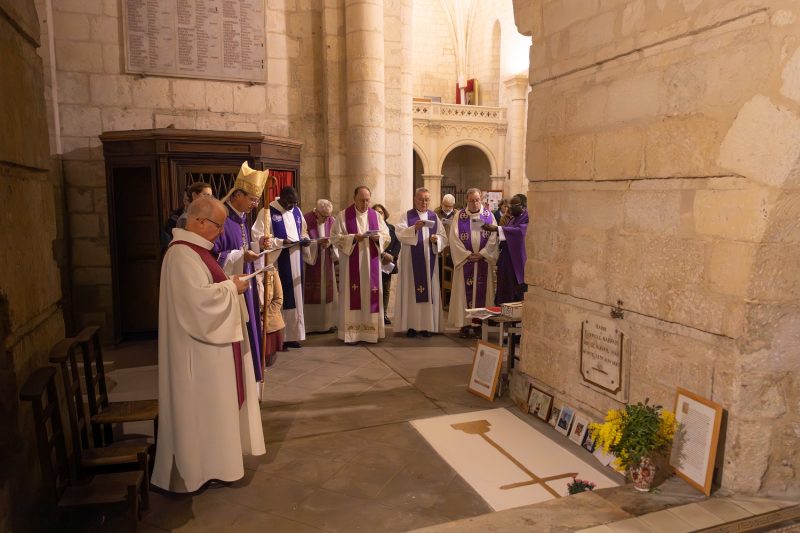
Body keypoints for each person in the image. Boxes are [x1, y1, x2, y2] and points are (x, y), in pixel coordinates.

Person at [152, 196, 266, 493]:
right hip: (196, 352)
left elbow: (205, 290)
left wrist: (228, 282)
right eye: (218, 224)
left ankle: (215, 466)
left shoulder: (195, 251)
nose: (221, 231)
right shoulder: (180, 255)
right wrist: (232, 287)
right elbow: (196, 304)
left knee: (213, 409)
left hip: (209, 348)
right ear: (199, 222)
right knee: (200, 410)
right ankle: (197, 471)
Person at [212, 162, 268, 382]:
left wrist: (258, 245)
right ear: (237, 195)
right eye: (252, 199)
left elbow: (243, 247)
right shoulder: (222, 219)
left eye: (256, 200)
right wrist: (240, 256)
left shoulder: (241, 219)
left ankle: (251, 375)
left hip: (246, 284)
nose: (255, 205)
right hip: (230, 287)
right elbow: (212, 257)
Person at [252, 186, 310, 349]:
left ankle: (293, 335)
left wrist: (305, 239)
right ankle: (280, 337)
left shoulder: (297, 211)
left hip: (296, 260)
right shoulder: (268, 211)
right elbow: (258, 236)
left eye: (295, 203)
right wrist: (280, 242)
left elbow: (303, 231)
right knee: (279, 299)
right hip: (278, 260)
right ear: (281, 199)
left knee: (295, 298)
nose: (292, 206)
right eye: (289, 203)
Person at [330, 186, 390, 344]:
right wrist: (353, 238)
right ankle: (352, 333)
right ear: (354, 199)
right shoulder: (343, 216)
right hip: (351, 266)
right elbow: (334, 238)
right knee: (352, 295)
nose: (365, 203)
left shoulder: (376, 216)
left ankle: (371, 332)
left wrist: (379, 239)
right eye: (361, 200)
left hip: (372, 265)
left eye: (367, 200)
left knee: (371, 294)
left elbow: (387, 236)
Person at [394, 188, 448, 337]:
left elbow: (444, 237)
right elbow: (399, 233)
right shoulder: (407, 216)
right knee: (411, 291)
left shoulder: (434, 217)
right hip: (411, 264)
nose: (424, 202)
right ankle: (411, 326)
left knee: (429, 291)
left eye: (427, 200)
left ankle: (427, 326)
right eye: (421, 199)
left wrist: (437, 240)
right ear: (414, 199)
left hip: (429, 262)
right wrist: (414, 229)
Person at [448, 187, 499, 338]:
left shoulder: (488, 216)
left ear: (481, 199)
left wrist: (483, 254)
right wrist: (467, 255)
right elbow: (454, 238)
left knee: (482, 294)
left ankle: (479, 325)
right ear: (466, 201)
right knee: (464, 294)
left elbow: (493, 239)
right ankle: (464, 324)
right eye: (471, 200)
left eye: (477, 200)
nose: (475, 203)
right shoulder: (459, 216)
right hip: (465, 262)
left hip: (483, 262)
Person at [484, 193, 529, 305]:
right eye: (509, 205)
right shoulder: (513, 219)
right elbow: (507, 232)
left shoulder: (527, 217)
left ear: (523, 206)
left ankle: (514, 317)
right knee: (504, 287)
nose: (509, 208)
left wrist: (497, 229)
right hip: (506, 258)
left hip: (516, 260)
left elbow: (520, 232)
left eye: (513, 205)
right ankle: (503, 312)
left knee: (514, 290)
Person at [303, 199, 338, 333]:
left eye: (328, 216)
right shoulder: (306, 220)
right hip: (312, 262)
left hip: (326, 261)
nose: (326, 219)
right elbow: (303, 240)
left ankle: (327, 324)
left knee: (326, 292)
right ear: (316, 211)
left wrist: (330, 244)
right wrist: (316, 243)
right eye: (323, 216)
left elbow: (336, 239)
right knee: (312, 292)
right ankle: (310, 326)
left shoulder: (332, 220)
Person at [373, 203, 400, 325]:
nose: (379, 214)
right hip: (374, 261)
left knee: (386, 289)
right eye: (376, 212)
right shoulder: (371, 228)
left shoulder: (391, 228)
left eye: (381, 212)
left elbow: (396, 243)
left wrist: (392, 255)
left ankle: (383, 315)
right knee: (374, 289)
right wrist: (382, 254)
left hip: (387, 263)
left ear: (385, 214)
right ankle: (374, 314)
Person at [260, 264, 284, 373]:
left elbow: (278, 300)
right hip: (250, 322)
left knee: (268, 361)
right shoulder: (244, 270)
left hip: (268, 323)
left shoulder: (271, 271)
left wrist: (263, 319)